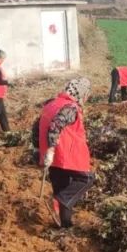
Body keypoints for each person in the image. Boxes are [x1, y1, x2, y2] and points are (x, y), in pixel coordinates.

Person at [37, 77, 95, 228]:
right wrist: (50, 149)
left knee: (63, 188)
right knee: (86, 179)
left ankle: (65, 226)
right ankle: (60, 200)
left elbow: (36, 127)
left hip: (53, 157)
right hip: (66, 156)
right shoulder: (70, 108)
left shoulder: (52, 103)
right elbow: (56, 125)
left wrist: (41, 150)